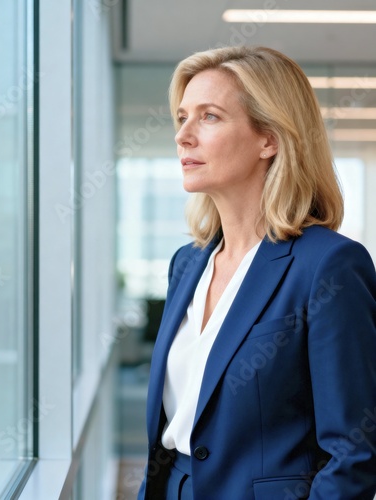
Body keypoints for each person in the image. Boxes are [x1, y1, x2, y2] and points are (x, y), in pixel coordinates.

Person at [137, 46, 376, 500]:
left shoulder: (329, 265)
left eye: (208, 117)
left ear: (269, 138)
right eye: (182, 117)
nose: (183, 136)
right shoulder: (186, 264)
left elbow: (353, 452)